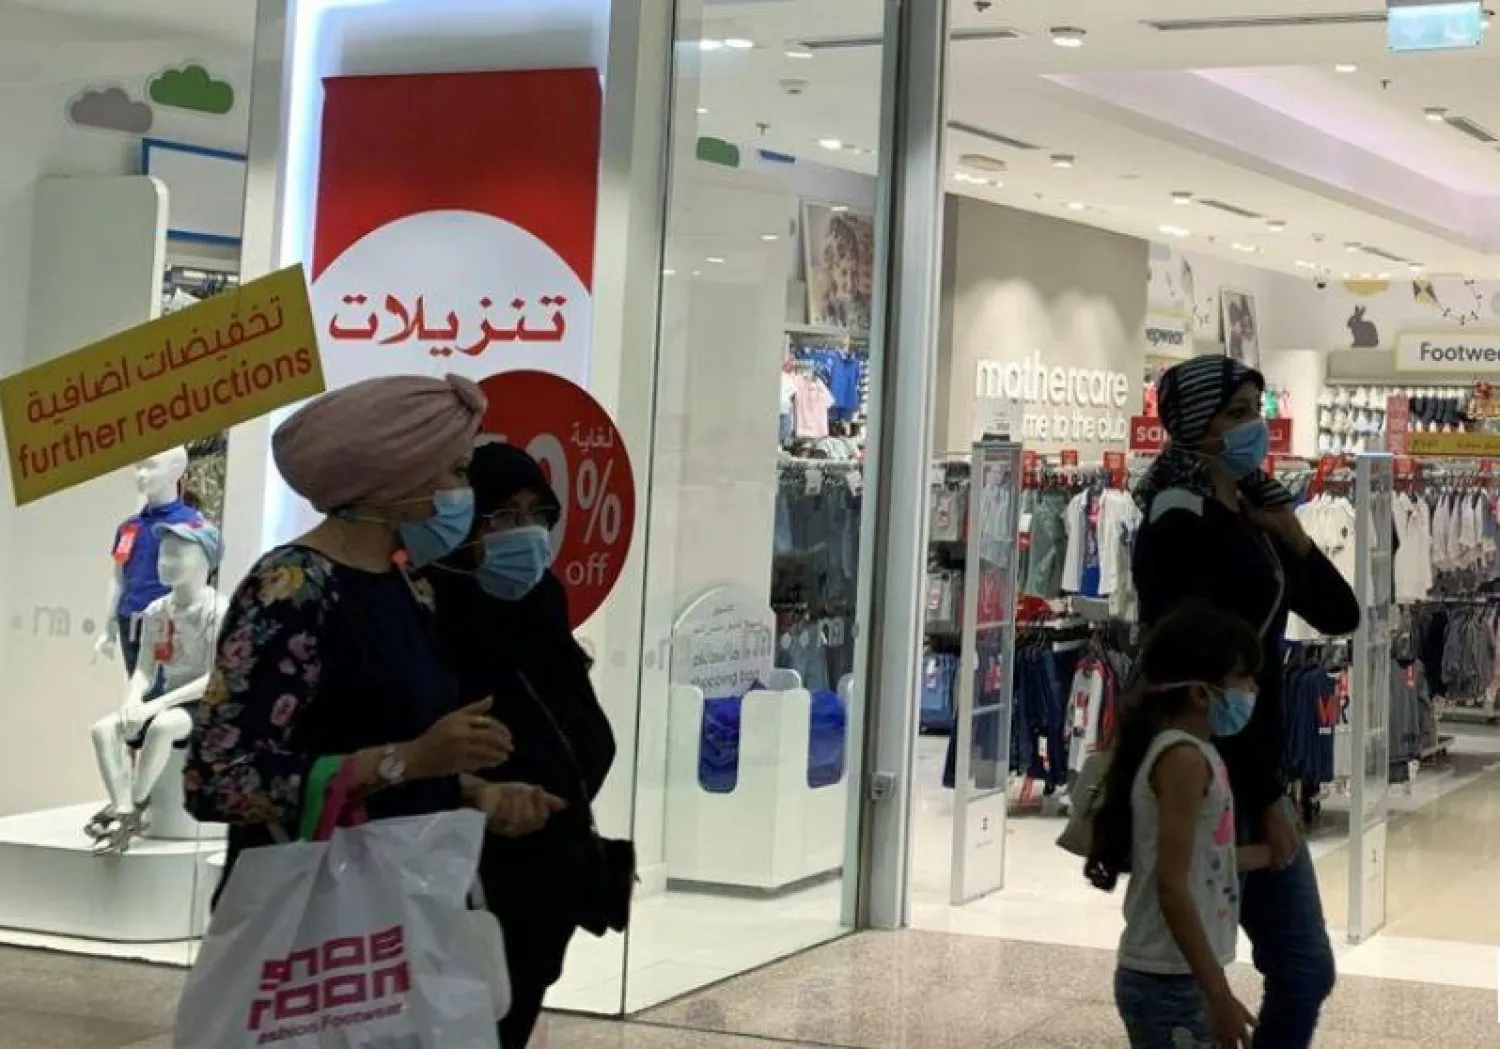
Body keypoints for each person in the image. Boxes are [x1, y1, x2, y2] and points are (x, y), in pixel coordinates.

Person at [183, 374, 523, 894]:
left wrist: (472, 789)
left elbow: (379, 743)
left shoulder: (408, 586)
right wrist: (409, 759)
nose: (465, 494)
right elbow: (217, 780)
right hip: (314, 912)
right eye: (456, 471)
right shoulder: (293, 588)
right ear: (396, 478)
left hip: (400, 897)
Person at [1131, 356, 1360, 1049]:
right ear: (1193, 425)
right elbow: (1189, 664)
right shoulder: (1179, 517)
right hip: (1208, 769)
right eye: (1234, 413)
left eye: (1255, 411)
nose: (1251, 428)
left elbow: (1339, 614)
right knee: (1283, 965)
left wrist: (1291, 534)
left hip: (1253, 765)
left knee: (1301, 967)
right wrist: (1265, 796)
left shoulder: (1252, 508)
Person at [421, 440, 620, 1049]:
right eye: (504, 515)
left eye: (539, 514)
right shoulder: (432, 605)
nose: (526, 532)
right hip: (466, 873)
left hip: (550, 869)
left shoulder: (543, 601)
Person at [1088, 605, 1271, 1049]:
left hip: (1181, 973)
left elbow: (1198, 858)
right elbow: (1171, 887)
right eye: (1242, 678)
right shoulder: (1183, 760)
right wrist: (1219, 995)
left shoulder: (1199, 754)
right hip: (1167, 980)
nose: (1252, 690)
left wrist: (1266, 855)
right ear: (1201, 693)